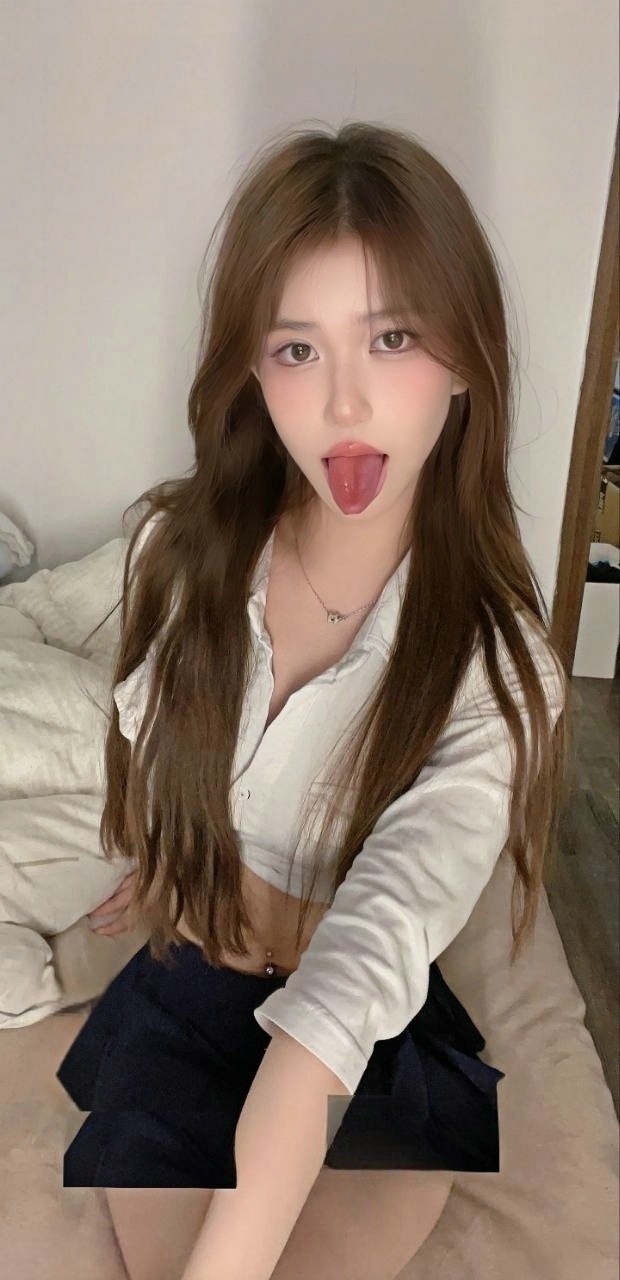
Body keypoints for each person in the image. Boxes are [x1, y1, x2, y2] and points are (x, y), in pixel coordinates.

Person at [56, 120, 570, 1280]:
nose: (343, 404)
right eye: (296, 348)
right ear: (252, 367)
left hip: (364, 1039)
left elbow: (351, 982)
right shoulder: (181, 550)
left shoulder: (497, 670)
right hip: (190, 986)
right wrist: (171, 845)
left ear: (463, 357)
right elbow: (153, 724)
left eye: (390, 336)